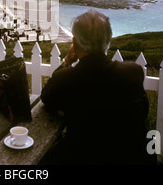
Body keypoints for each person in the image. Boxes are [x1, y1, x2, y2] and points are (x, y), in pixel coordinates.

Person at [40, 9, 155, 164]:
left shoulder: (66, 78)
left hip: (84, 157)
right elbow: (143, 112)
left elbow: (47, 97)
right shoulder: (133, 72)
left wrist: (67, 61)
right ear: (108, 41)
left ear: (74, 42)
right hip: (133, 157)